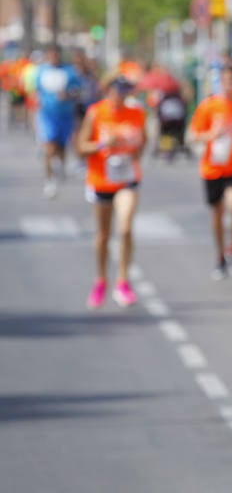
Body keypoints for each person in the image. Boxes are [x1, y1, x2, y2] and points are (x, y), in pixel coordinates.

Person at [75, 75, 147, 309]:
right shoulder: (96, 113)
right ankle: (101, 280)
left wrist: (134, 152)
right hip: (101, 179)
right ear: (108, 91)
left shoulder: (136, 114)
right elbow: (81, 147)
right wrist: (104, 144)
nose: (121, 95)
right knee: (104, 234)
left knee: (125, 228)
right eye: (117, 90)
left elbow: (143, 142)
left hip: (127, 178)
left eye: (125, 91)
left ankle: (123, 281)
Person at [188, 65, 232, 279]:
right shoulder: (209, 106)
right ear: (220, 82)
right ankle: (219, 255)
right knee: (216, 214)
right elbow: (192, 136)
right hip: (212, 167)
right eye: (225, 80)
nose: (229, 84)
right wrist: (211, 135)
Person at [35, 45, 82, 198]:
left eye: (56, 54)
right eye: (51, 54)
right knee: (49, 148)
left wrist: (68, 94)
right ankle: (49, 181)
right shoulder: (41, 71)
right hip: (48, 115)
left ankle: (61, 167)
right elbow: (36, 90)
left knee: (61, 148)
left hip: (65, 115)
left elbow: (78, 91)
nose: (53, 57)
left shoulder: (69, 71)